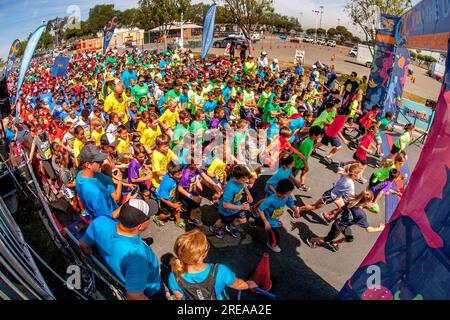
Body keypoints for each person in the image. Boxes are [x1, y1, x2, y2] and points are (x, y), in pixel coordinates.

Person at [80, 199, 167, 300]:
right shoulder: (137, 257)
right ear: (140, 226)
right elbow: (134, 296)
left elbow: (83, 245)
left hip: (125, 280)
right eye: (148, 217)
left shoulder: (100, 221)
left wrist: (89, 254)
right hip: (151, 290)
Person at [168, 229, 257, 300]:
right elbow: (238, 284)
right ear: (204, 255)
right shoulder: (220, 271)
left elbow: (179, 296)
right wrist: (249, 285)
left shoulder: (174, 276)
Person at [306, 191, 385, 252]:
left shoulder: (352, 202)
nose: (372, 203)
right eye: (371, 201)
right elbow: (369, 229)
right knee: (327, 239)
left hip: (343, 224)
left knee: (349, 238)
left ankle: (334, 243)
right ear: (366, 202)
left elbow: (341, 208)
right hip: (338, 227)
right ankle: (311, 240)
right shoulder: (361, 214)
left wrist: (335, 216)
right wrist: (380, 228)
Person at [298, 163, 364, 221]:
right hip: (330, 196)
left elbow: (340, 166)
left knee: (342, 208)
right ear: (355, 174)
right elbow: (351, 198)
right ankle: (298, 209)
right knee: (314, 207)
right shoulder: (350, 185)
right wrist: (362, 202)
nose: (361, 176)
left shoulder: (345, 173)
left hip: (336, 195)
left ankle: (326, 214)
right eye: (360, 174)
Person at [250, 179, 300, 253]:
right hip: (269, 220)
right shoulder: (270, 200)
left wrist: (296, 211)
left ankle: (253, 222)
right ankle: (272, 244)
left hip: (275, 218)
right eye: (288, 194)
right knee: (275, 236)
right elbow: (260, 210)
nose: (290, 195)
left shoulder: (287, 197)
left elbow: (291, 204)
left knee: (267, 226)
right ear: (280, 194)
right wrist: (265, 221)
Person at [75, 143, 121, 219]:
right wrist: (126, 205)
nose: (102, 163)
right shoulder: (96, 193)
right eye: (99, 161)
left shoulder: (79, 175)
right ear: (88, 164)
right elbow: (107, 219)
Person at [210, 165, 253, 239]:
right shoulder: (230, 189)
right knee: (222, 221)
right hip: (227, 210)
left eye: (246, 179)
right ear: (235, 178)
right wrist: (241, 207)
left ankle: (231, 227)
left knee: (243, 220)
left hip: (237, 206)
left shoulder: (240, 181)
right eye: (243, 179)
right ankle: (214, 228)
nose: (246, 181)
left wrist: (249, 194)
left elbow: (244, 185)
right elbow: (225, 204)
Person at [154, 162, 185, 228]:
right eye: (178, 174)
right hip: (163, 199)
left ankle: (178, 221)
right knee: (167, 214)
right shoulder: (166, 184)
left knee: (177, 208)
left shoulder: (173, 175)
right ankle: (157, 218)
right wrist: (172, 205)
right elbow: (162, 198)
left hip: (171, 195)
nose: (181, 175)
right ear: (171, 174)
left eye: (181, 173)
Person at [293, 126, 324, 191]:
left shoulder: (311, 140)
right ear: (314, 135)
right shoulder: (307, 143)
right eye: (319, 135)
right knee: (290, 174)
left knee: (304, 171)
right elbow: (302, 156)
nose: (320, 136)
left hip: (303, 160)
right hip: (297, 161)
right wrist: (306, 165)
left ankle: (302, 184)